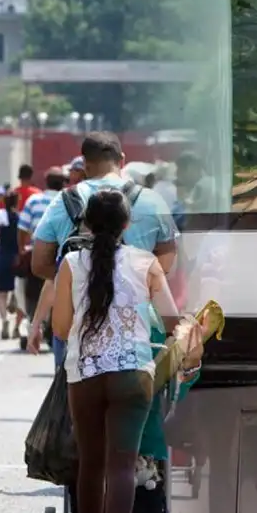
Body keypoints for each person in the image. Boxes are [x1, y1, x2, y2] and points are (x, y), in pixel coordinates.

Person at [51, 189, 193, 513]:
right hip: (133, 376)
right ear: (127, 224)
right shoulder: (147, 263)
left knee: (91, 464)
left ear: (85, 223)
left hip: (85, 375)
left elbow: (59, 329)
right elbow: (172, 321)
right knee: (122, 465)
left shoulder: (71, 264)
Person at [31, 133, 178, 365]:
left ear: (85, 164)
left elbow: (39, 263)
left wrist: (82, 276)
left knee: (70, 393)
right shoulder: (152, 201)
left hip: (76, 330)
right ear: (122, 159)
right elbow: (167, 262)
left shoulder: (63, 201)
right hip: (135, 329)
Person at [19, 167, 65, 348]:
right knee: (58, 290)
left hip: (36, 253)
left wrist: (22, 249)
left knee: (32, 293)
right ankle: (50, 328)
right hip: (61, 255)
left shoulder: (34, 200)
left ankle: (34, 323)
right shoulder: (68, 200)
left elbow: (22, 227)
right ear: (64, 182)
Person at [0, 191, 20, 340]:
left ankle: (4, 320)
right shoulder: (20, 217)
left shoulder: (0, 215)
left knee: (1, 293)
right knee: (17, 287)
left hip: (3, 255)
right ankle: (14, 299)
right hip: (16, 257)